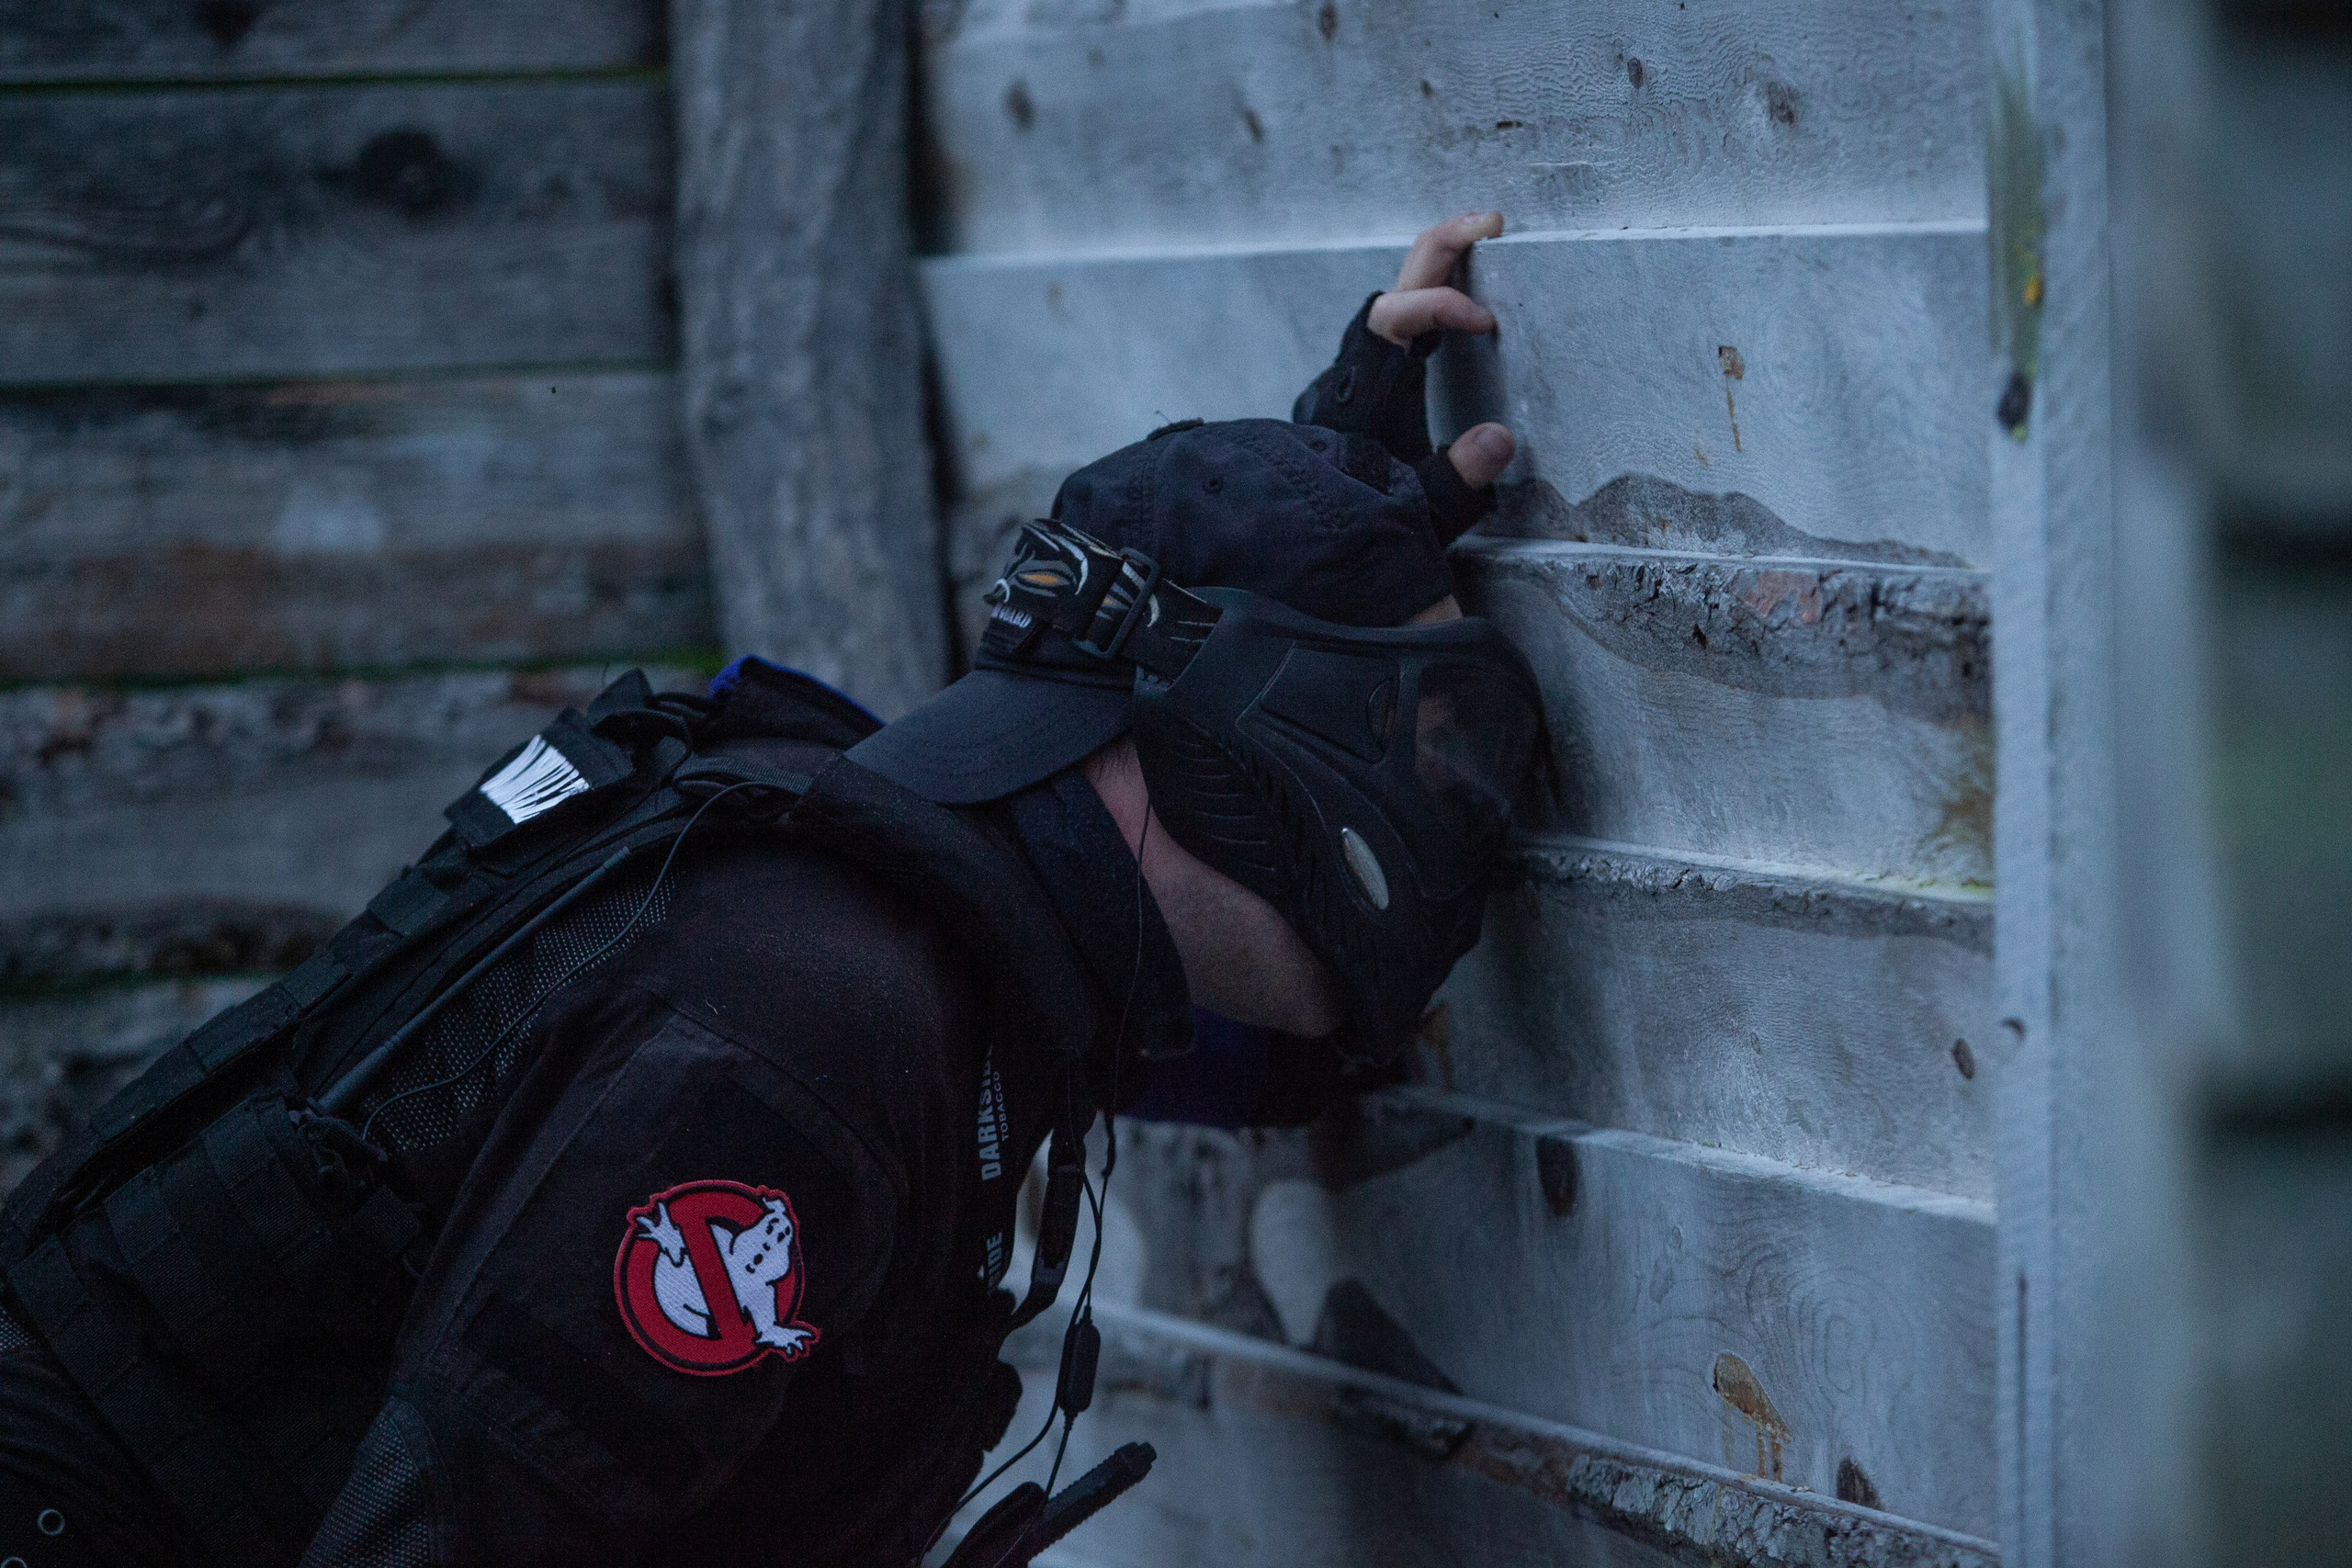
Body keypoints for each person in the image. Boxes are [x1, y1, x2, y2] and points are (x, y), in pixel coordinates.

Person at [0, 214, 1537, 1568]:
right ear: (1224, 739)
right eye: (1378, 728)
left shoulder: (933, 938)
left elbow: (1287, 1043)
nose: (1427, 794)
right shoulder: (804, 1032)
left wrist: (1330, 511)